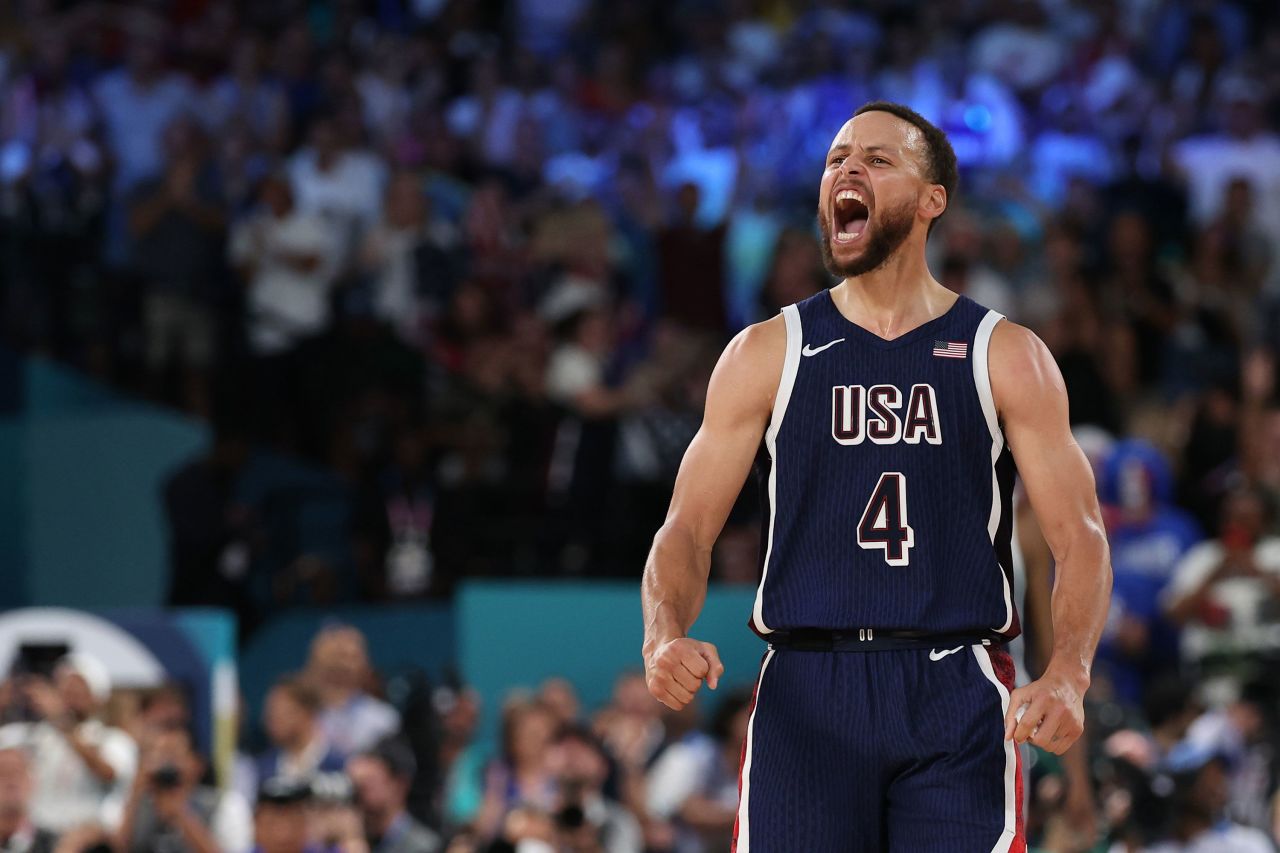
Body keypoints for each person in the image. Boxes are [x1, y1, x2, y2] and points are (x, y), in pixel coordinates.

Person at [640, 101, 1112, 850]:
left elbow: (1081, 536)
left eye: (877, 159)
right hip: (807, 685)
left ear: (933, 202)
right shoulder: (768, 351)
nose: (847, 170)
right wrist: (662, 634)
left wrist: (1068, 673)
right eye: (836, 159)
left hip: (953, 685)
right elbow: (687, 530)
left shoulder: (1005, 352)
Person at [0, 654, 137, 833]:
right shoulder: (36, 735)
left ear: (98, 697)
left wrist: (61, 722)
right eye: (66, 689)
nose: (71, 697)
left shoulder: (113, 739)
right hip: (38, 836)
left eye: (79, 690)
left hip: (90, 837)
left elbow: (109, 773)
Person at [109, 725, 252, 853]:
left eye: (173, 754)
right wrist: (135, 793)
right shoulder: (137, 802)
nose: (165, 763)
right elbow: (117, 848)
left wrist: (181, 815)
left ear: (198, 764)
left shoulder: (226, 804)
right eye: (158, 755)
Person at [305, 626, 400, 759]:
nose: (346, 666)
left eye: (354, 657)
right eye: (338, 656)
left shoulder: (383, 718)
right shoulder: (304, 714)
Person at [346, 737, 441, 853]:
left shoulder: (425, 846)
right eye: (357, 785)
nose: (360, 792)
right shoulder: (350, 838)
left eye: (370, 782)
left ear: (400, 785)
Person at [255, 675, 345, 796]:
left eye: (283, 712)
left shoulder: (338, 764)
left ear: (308, 712)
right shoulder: (263, 768)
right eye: (271, 713)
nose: (272, 720)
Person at [0, 738, 57, 853]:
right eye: (2, 773)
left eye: (17, 772)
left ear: (32, 782)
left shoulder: (57, 844)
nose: (12, 781)